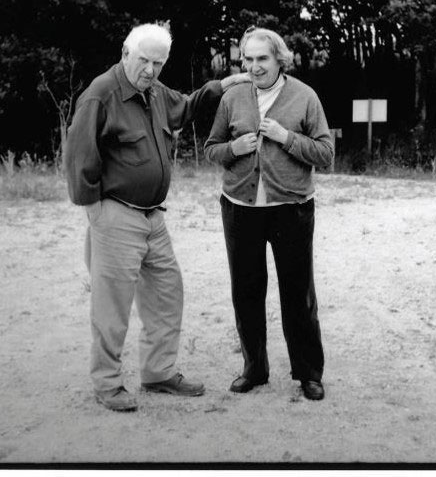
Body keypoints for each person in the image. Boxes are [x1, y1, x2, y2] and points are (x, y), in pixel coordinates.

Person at [64, 23, 250, 412]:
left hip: (154, 219)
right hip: (115, 215)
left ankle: (158, 372)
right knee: (111, 308)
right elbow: (80, 158)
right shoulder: (100, 95)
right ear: (125, 53)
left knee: (167, 294)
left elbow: (186, 106)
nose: (150, 69)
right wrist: (95, 212)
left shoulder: (155, 92)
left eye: (158, 63)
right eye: (144, 60)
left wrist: (225, 84)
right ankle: (108, 384)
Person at [204, 26, 333, 401]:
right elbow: (212, 147)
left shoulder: (305, 97)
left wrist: (285, 137)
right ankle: (254, 369)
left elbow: (326, 155)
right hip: (240, 208)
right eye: (248, 59)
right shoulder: (232, 97)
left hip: (290, 208)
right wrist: (234, 149)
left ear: (280, 59)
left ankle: (309, 372)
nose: (255, 66)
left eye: (263, 58)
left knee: (298, 293)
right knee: (246, 291)